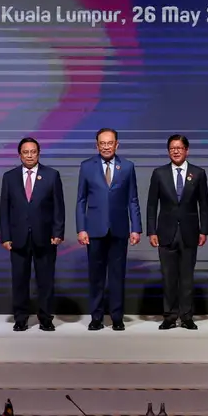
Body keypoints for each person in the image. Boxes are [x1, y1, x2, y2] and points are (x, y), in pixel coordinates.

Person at [76, 128, 141, 331]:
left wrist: (136, 228)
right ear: (97, 145)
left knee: (117, 276)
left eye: (109, 143)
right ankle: (96, 318)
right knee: (96, 277)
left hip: (119, 230)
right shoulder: (87, 166)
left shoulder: (127, 167)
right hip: (94, 230)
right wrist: (81, 228)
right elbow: (81, 200)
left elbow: (133, 199)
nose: (106, 147)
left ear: (116, 144)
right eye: (102, 143)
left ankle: (117, 318)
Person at [0, 137, 65, 332]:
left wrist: (58, 232)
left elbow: (59, 207)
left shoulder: (52, 175)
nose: (29, 155)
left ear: (38, 153)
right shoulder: (9, 177)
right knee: (19, 281)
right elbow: (4, 209)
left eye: (33, 152)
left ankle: (46, 318)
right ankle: (20, 319)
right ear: (19, 155)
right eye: (25, 152)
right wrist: (5, 236)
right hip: (18, 238)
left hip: (45, 237)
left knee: (45, 281)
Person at [145, 134, 208, 330]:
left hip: (190, 232)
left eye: (179, 148)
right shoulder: (159, 173)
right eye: (172, 148)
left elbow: (204, 205)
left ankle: (187, 316)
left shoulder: (198, 173)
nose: (176, 151)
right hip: (165, 232)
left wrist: (204, 230)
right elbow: (151, 205)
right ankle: (170, 316)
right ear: (168, 151)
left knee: (187, 278)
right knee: (168, 277)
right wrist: (151, 231)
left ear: (186, 150)